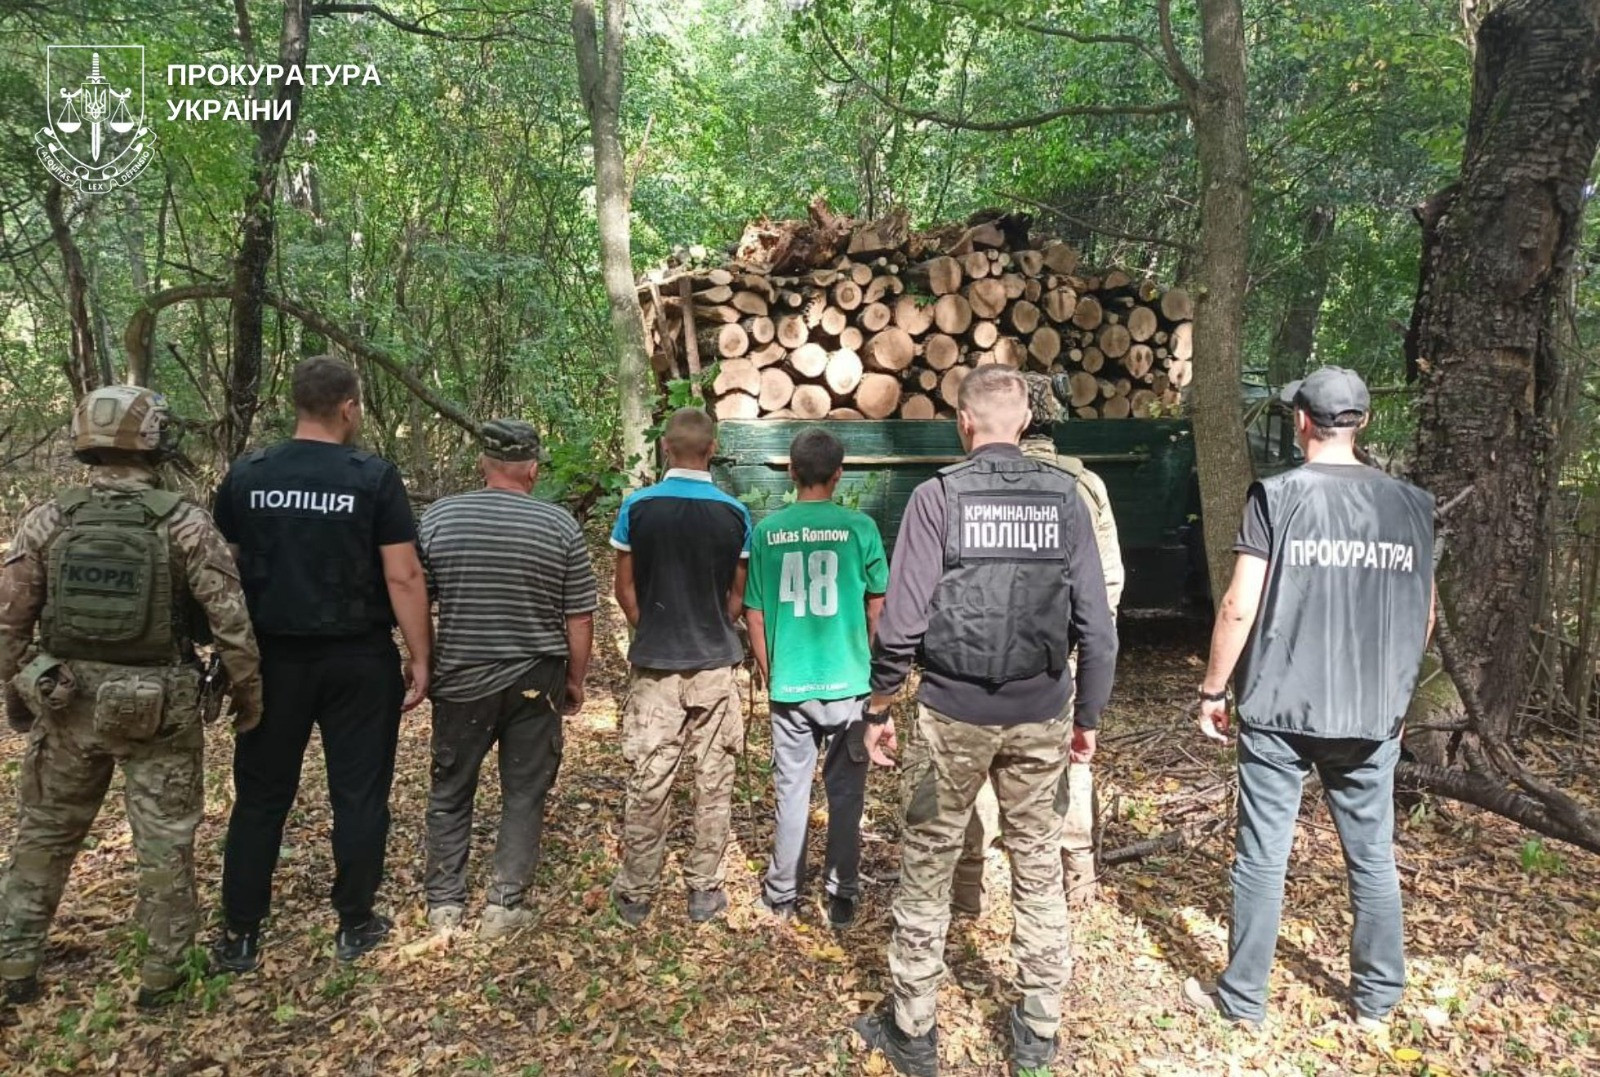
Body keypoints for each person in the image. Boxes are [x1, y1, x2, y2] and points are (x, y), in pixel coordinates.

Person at [852, 365, 1119, 1076]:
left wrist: (879, 705)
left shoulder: (938, 497)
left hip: (951, 715)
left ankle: (913, 1030)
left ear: (962, 423)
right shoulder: (1066, 499)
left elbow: (903, 620)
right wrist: (1086, 714)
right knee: (1036, 864)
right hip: (1040, 716)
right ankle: (1037, 1030)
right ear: (1025, 420)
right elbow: (1098, 625)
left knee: (927, 863)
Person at [1181, 366, 1435, 1030]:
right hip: (1371, 712)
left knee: (1263, 852)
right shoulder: (1411, 504)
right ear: (1364, 422)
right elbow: (1425, 614)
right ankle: (1377, 1000)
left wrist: (1213, 689)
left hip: (1278, 709)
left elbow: (1240, 604)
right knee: (1371, 852)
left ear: (1301, 423)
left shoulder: (1277, 495)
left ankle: (1243, 1001)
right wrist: (1399, 696)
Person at [0, 387, 262, 1009]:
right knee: (165, 843)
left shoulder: (48, 519)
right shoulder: (184, 521)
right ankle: (162, 978)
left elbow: (10, 622)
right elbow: (231, 621)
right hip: (159, 704)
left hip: (65, 700)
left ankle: (14, 965)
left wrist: (20, 691)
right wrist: (248, 692)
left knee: (43, 835)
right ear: (156, 441)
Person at [210, 355, 432, 970]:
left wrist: (226, 650)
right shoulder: (373, 477)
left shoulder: (248, 474)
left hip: (270, 659)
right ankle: (356, 923)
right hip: (357, 659)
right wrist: (421, 658)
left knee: (260, 796)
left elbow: (218, 566)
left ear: (297, 405)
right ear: (349, 407)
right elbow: (403, 574)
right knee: (359, 794)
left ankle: (241, 933)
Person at [953, 373, 1125, 917]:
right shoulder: (1086, 485)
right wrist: (1087, 646)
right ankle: (1078, 879)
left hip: (982, 653)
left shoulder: (969, 481)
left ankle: (968, 887)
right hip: (1062, 653)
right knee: (1074, 759)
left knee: (975, 760)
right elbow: (1110, 582)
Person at [418, 420, 596, 938]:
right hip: (534, 679)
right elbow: (579, 616)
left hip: (460, 677)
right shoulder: (559, 525)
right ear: (534, 468)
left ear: (482, 463)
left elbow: (414, 597)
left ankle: (445, 904)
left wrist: (422, 661)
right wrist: (576, 680)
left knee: (451, 787)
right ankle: (504, 904)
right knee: (524, 790)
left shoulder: (440, 518)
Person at [609, 407, 752, 927]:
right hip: (715, 664)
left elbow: (624, 587)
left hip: (655, 666)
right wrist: (716, 623)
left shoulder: (638, 508)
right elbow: (737, 596)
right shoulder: (735, 514)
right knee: (714, 780)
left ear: (665, 448)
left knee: (650, 776)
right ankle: (703, 891)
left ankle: (638, 893)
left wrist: (649, 628)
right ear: (711, 450)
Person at [744, 427, 888, 929]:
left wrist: (769, 669)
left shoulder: (767, 532)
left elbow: (755, 613)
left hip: (791, 686)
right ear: (839, 474)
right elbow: (878, 603)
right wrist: (869, 662)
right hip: (849, 687)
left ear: (791, 472)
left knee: (792, 790)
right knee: (846, 794)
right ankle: (842, 894)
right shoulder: (860, 529)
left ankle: (782, 894)